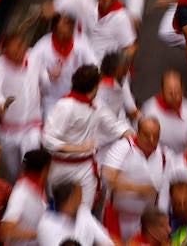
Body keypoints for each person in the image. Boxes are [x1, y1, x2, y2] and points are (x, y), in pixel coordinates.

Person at [42, 65, 136, 211]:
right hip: (62, 168)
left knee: (84, 213)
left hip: (86, 168)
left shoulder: (97, 105)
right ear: (94, 86)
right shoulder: (65, 106)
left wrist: (137, 140)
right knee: (61, 210)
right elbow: (48, 140)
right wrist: (77, 148)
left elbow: (115, 126)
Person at [101, 118, 178, 242]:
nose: (151, 140)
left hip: (145, 221)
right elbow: (109, 178)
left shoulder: (165, 155)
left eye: (156, 136)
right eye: (147, 135)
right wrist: (144, 189)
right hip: (118, 215)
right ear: (138, 132)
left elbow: (163, 191)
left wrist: (126, 185)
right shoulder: (122, 147)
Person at [0, 30, 44, 180]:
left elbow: (43, 77)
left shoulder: (34, 57)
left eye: (19, 47)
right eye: (13, 51)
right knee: (12, 173)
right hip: (9, 131)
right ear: (6, 52)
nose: (18, 52)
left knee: (30, 169)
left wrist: (46, 83)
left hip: (32, 127)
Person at [31, 14, 98, 118]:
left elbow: (95, 67)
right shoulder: (42, 46)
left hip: (77, 99)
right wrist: (46, 75)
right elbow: (29, 71)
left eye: (72, 23)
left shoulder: (81, 41)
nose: (71, 26)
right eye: (66, 23)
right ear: (56, 25)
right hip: (52, 101)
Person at [142, 71, 187, 156]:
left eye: (177, 92)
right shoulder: (149, 110)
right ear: (162, 91)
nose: (174, 97)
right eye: (170, 93)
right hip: (156, 158)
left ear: (182, 90)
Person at [36, 181, 114, 246]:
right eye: (79, 198)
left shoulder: (83, 212)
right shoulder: (46, 226)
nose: (81, 201)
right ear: (70, 201)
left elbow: (104, 238)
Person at [0, 149, 52, 245]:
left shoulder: (39, 186)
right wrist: (39, 234)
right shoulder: (21, 194)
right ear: (45, 169)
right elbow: (5, 231)